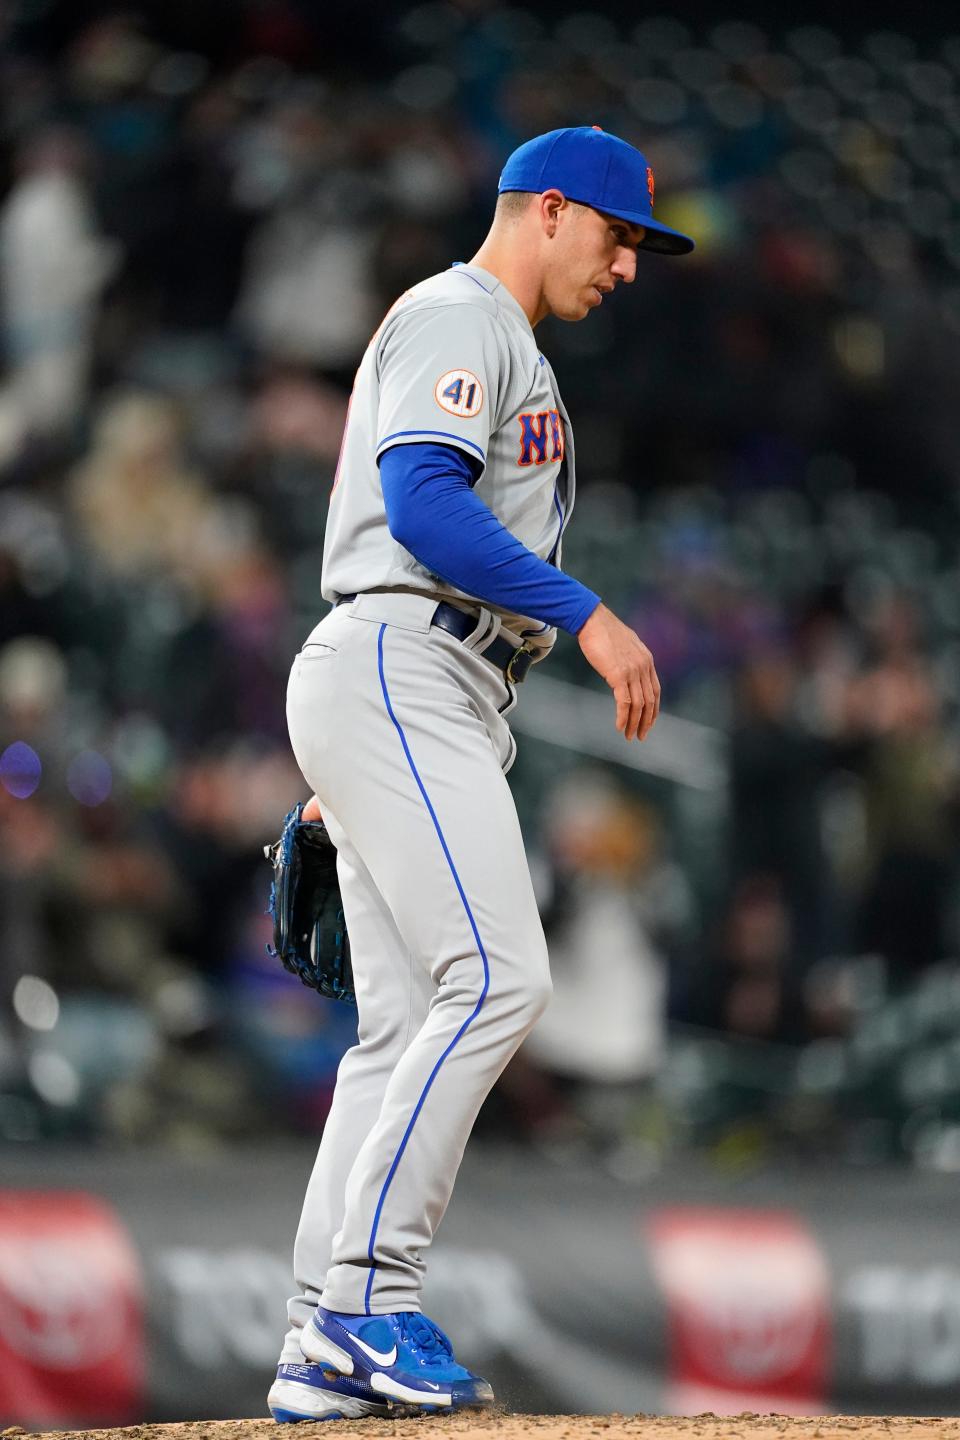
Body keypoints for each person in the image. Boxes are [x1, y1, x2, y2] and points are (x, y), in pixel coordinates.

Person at [268, 125, 694, 1423]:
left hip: (412, 682)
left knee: (400, 1030)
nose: (628, 265)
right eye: (618, 236)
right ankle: (363, 1306)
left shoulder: (515, 348)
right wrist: (590, 613)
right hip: (404, 661)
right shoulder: (467, 314)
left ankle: (312, 1344)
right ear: (549, 209)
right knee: (500, 979)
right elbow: (424, 505)